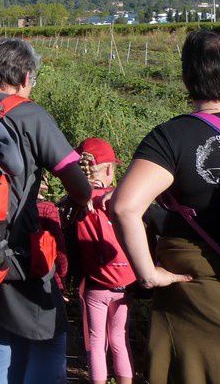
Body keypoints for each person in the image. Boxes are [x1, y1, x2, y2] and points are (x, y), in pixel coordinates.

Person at [112, 29, 220, 384]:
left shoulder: (171, 137)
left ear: (186, 77)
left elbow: (125, 207)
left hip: (199, 296)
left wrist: (148, 274)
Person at [0, 38, 92, 384]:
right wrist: (81, 198)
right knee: (49, 337)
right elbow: (78, 184)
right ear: (27, 75)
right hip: (18, 252)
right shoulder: (30, 114)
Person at [67, 138, 134, 384]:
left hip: (95, 287)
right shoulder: (122, 200)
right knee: (120, 339)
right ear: (109, 169)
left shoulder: (75, 204)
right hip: (124, 284)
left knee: (96, 343)